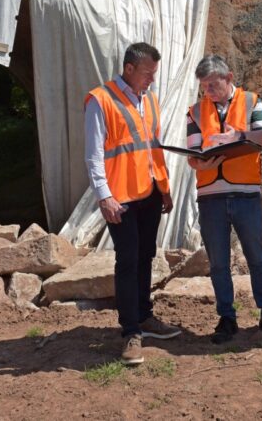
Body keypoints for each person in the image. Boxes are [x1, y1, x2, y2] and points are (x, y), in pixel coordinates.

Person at [84, 42, 182, 366]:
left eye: (154, 73)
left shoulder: (148, 99)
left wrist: (164, 188)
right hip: (121, 198)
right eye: (147, 73)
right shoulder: (101, 100)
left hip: (149, 193)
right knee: (127, 261)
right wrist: (104, 197)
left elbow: (152, 148)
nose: (152, 79)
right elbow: (94, 156)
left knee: (146, 256)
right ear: (129, 69)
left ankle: (144, 315)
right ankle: (130, 331)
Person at [186, 55, 262, 343]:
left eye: (213, 84)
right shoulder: (195, 111)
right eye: (204, 86)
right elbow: (192, 153)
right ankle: (227, 319)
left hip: (245, 194)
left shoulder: (250, 101)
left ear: (229, 77)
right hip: (210, 197)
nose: (208, 91)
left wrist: (240, 136)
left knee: (257, 257)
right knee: (218, 263)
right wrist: (199, 162)